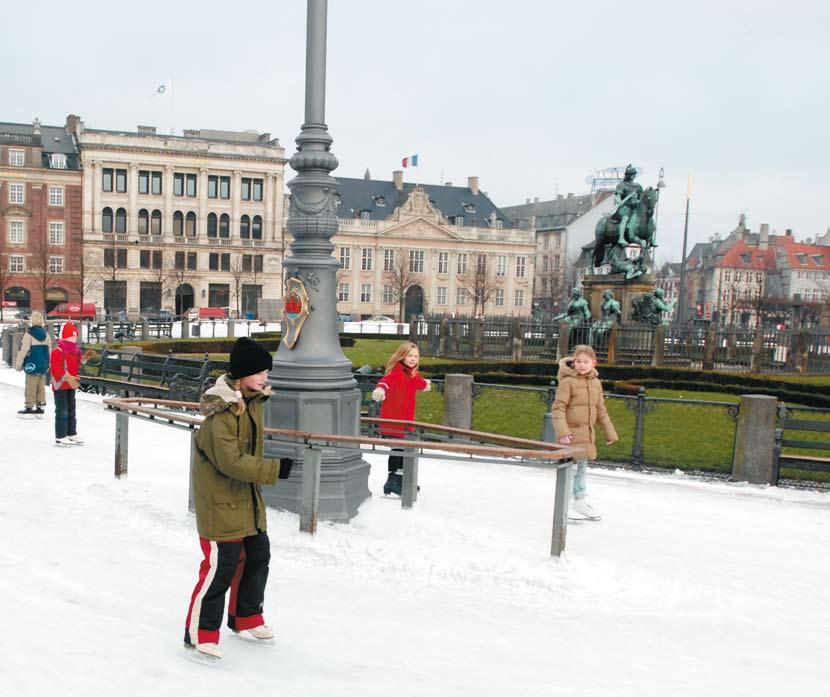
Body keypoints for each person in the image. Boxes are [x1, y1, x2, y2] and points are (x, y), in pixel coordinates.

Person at [184, 337, 293, 661]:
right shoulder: (223, 412)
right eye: (259, 371)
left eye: (266, 372)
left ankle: (246, 617)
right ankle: (200, 634)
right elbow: (230, 461)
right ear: (242, 373)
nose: (265, 378)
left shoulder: (252, 402)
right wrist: (274, 470)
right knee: (221, 567)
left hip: (245, 498)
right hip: (220, 502)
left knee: (258, 555)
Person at [551, 344, 618, 521]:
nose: (581, 365)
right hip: (570, 437)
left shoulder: (596, 384)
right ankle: (565, 505)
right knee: (570, 471)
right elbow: (558, 409)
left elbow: (601, 410)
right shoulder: (567, 382)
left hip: (587, 437)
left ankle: (579, 501)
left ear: (593, 363)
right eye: (578, 361)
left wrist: (609, 432)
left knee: (581, 470)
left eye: (585, 362)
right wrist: (563, 432)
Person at [371, 342, 430, 496]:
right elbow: (386, 382)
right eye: (409, 355)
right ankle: (392, 481)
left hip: (405, 421)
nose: (413, 359)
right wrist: (380, 389)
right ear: (402, 356)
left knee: (403, 450)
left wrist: (425, 384)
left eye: (416, 356)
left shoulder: (411, 374)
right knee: (398, 449)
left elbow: (418, 382)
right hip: (394, 420)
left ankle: (399, 480)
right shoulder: (397, 372)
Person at [50, 322, 84, 446]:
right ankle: (60, 435)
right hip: (60, 385)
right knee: (62, 410)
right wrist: (66, 377)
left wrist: (83, 359)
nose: (74, 340)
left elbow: (76, 366)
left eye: (75, 337)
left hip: (71, 384)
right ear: (64, 337)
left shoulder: (75, 351)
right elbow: (55, 369)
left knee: (71, 409)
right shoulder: (58, 351)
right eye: (71, 337)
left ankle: (71, 432)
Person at [15, 311, 52, 419]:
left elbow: (23, 350)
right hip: (43, 364)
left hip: (32, 363)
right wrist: (48, 363)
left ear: (32, 320)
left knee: (31, 385)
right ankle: (40, 407)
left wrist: (19, 365)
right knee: (41, 386)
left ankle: (29, 407)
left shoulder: (29, 334)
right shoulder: (46, 334)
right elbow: (49, 350)